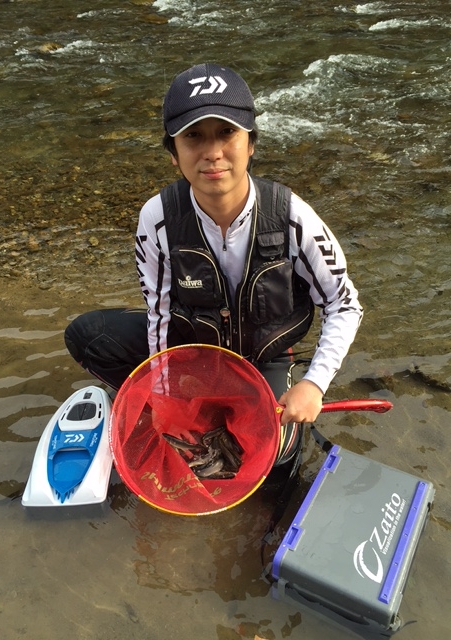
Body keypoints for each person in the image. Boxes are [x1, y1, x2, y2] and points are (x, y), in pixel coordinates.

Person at [65, 63, 363, 467]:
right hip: (193, 350)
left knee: (272, 460)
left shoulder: (292, 216)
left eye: (226, 132)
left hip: (262, 358)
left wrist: (314, 383)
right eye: (193, 136)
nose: (212, 153)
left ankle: (252, 410)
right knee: (88, 337)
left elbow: (343, 304)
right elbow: (159, 312)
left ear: (251, 143)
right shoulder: (157, 219)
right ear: (174, 153)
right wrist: (164, 394)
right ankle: (194, 412)